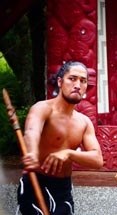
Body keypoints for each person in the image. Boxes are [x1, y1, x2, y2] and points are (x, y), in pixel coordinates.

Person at [17, 61, 103, 215]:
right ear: (60, 81)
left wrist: (69, 153)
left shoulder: (84, 122)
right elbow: (31, 132)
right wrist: (32, 152)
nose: (78, 85)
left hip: (63, 188)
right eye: (72, 78)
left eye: (83, 81)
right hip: (36, 181)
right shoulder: (42, 108)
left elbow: (97, 159)